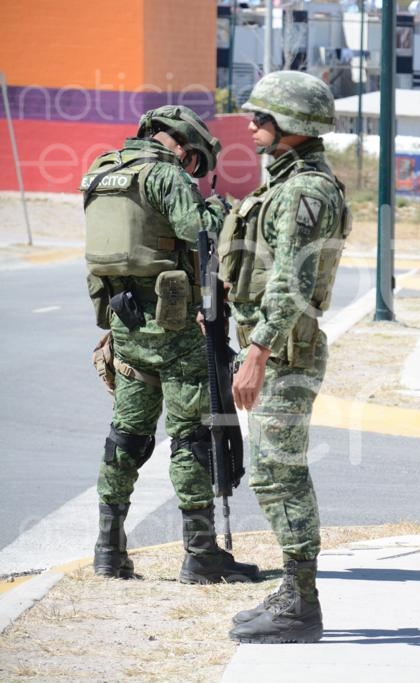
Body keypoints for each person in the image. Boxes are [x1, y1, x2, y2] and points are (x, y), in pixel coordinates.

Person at [82, 105, 259, 586]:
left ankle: (108, 550)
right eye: (195, 162)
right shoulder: (165, 175)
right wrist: (222, 209)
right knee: (191, 438)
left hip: (125, 326)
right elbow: (198, 230)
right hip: (176, 328)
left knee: (127, 435)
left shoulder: (101, 172)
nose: (193, 172)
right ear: (180, 144)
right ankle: (200, 555)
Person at [221, 71, 351, 643]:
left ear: (292, 127)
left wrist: (257, 351)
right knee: (273, 472)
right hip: (275, 348)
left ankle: (301, 602)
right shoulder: (287, 183)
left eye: (263, 118)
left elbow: (291, 283)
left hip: (284, 353)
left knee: (280, 474)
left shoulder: (304, 191)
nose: (252, 126)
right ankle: (296, 592)